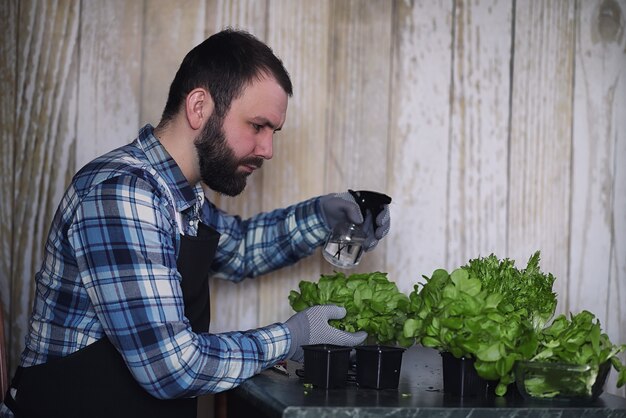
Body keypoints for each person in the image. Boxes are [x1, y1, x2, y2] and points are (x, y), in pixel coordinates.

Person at [0, 28, 391, 418]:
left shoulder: (179, 194)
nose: (268, 150)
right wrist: (290, 338)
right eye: (257, 126)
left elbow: (240, 248)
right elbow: (173, 368)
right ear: (199, 107)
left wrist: (324, 214)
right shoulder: (123, 191)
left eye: (274, 132)